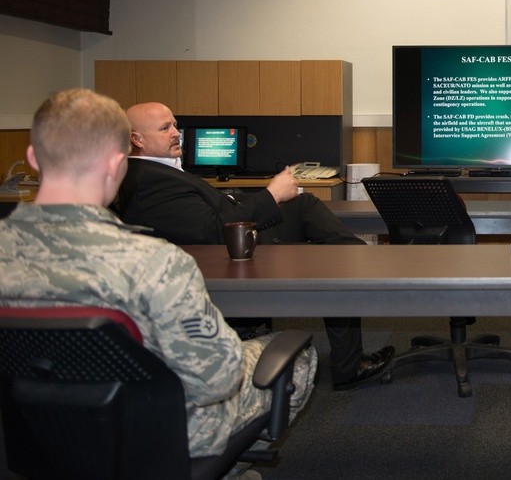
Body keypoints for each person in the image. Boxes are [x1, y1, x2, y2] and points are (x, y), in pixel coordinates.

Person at [0, 88, 317, 469]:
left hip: (38, 429)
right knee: (296, 355)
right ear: (118, 163)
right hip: (157, 432)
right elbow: (217, 380)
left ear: (33, 158)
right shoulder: (156, 263)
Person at [115, 101, 393, 391]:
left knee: (306, 207)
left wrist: (264, 196)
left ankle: (362, 267)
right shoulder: (149, 182)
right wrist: (271, 194)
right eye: (165, 128)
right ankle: (357, 326)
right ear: (137, 139)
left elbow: (211, 214)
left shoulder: (158, 170)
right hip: (235, 251)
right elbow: (214, 232)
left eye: (174, 124)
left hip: (237, 236)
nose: (176, 133)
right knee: (334, 259)